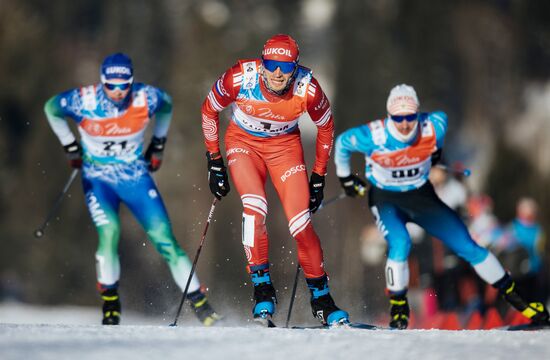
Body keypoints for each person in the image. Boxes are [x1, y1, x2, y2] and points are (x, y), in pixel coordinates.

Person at [333, 84, 549, 329]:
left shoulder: (433, 127)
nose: (405, 124)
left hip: (421, 196)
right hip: (386, 198)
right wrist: (346, 178)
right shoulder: (374, 135)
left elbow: (441, 120)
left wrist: (434, 153)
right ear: (389, 116)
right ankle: (399, 308)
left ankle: (521, 303)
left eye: (410, 117)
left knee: (468, 246)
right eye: (398, 118)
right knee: (400, 242)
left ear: (417, 114)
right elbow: (342, 144)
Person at [44, 53, 221, 326]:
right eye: (111, 85)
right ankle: (111, 305)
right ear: (102, 82)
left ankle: (201, 305)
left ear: (132, 81)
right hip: (98, 180)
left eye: (124, 85)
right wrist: (70, 145)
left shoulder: (145, 97)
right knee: (110, 232)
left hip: (135, 177)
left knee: (165, 239)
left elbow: (167, 105)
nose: (118, 91)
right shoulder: (84, 100)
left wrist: (158, 144)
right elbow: (51, 108)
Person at [200, 34, 349, 326]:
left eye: (285, 66)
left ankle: (322, 299)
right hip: (243, 143)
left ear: (296, 67)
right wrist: (214, 161)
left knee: (300, 222)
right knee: (254, 209)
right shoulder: (240, 77)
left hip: (285, 148)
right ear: (262, 63)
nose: (277, 72)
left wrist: (318, 177)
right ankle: (263, 291)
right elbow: (209, 111)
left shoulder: (308, 88)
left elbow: (326, 129)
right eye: (271, 64)